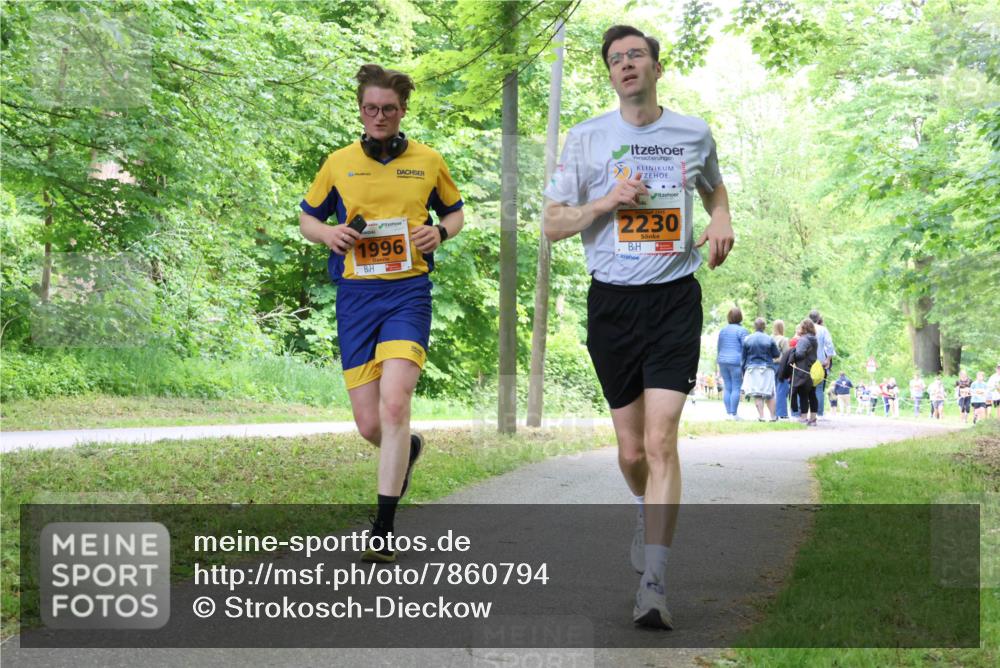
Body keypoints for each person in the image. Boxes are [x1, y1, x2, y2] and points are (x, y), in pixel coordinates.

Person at [543, 24, 734, 630]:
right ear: (610, 75)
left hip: (675, 299)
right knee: (631, 454)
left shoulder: (693, 133)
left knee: (661, 441)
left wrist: (722, 218)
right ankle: (641, 505)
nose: (626, 65)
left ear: (655, 67)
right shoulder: (586, 139)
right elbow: (551, 224)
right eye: (616, 60)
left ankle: (654, 584)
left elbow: (715, 188)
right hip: (613, 305)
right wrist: (605, 203)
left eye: (636, 56)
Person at [299, 64, 465, 563]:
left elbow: (455, 212)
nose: (378, 117)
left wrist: (442, 232)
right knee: (370, 424)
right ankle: (407, 449)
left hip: (407, 294)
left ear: (402, 111)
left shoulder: (429, 161)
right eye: (370, 108)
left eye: (387, 109)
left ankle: (384, 530)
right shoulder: (339, 162)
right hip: (355, 298)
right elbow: (308, 218)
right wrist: (327, 234)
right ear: (360, 109)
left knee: (396, 404)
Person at [741, 318, 780, 421]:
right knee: (770, 393)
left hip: (751, 368)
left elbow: (743, 357)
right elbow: (776, 354)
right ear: (764, 327)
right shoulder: (769, 339)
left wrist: (743, 372)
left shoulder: (747, 339)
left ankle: (761, 416)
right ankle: (773, 416)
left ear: (754, 327)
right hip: (767, 368)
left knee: (757, 393)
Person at [717, 307, 748, 420]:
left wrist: (718, 360)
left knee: (727, 387)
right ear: (740, 317)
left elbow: (719, 347)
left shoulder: (723, 330)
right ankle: (734, 414)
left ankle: (728, 413)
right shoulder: (742, 331)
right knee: (736, 387)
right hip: (736, 361)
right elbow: (746, 347)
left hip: (722, 361)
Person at [791, 318, 819, 426]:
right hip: (813, 369)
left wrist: (793, 352)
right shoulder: (814, 339)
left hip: (803, 369)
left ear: (804, 327)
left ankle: (803, 417)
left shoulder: (803, 340)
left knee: (803, 393)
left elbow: (799, 354)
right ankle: (813, 418)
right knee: (812, 394)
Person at [808, 311, 836, 418]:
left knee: (805, 387)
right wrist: (828, 358)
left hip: (806, 362)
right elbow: (829, 344)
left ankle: (803, 413)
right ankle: (819, 413)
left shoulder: (805, 328)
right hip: (819, 362)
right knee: (819, 388)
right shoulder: (823, 330)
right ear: (819, 318)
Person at [772, 320, 790, 419]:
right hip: (781, 367)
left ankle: (774, 412)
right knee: (782, 389)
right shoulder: (783, 340)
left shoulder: (770, 338)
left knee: (774, 390)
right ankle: (782, 413)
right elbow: (787, 354)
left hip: (771, 367)